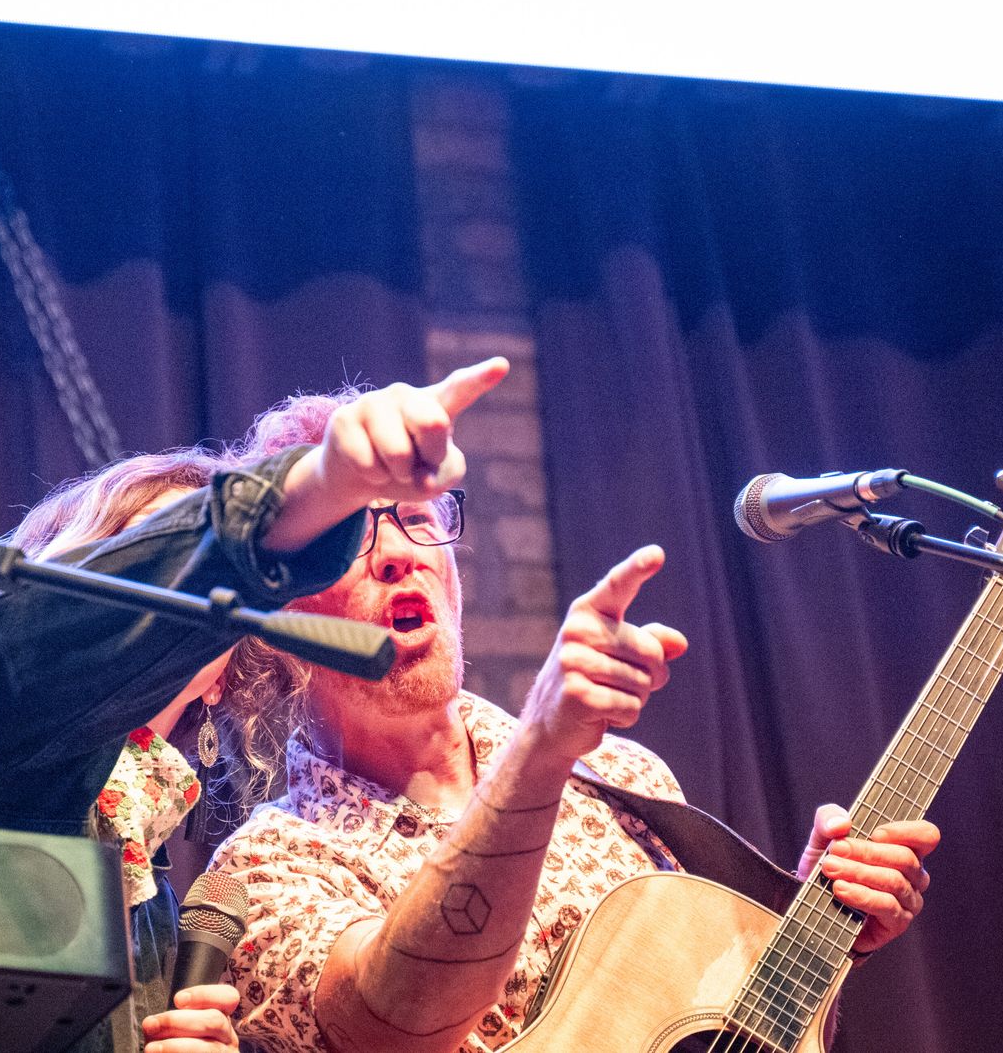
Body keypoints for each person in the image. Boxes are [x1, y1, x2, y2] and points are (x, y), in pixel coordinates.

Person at [0, 358, 511, 1053]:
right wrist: (321, 484)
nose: (178, 594)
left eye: (204, 581)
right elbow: (40, 653)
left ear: (220, 671)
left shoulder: (156, 896)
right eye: (145, 560)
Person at [206, 382, 941, 1053]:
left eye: (415, 517)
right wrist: (540, 752)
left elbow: (734, 1030)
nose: (399, 553)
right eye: (346, 537)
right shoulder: (263, 872)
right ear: (273, 613)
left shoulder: (622, 778)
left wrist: (812, 940)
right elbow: (390, 1025)